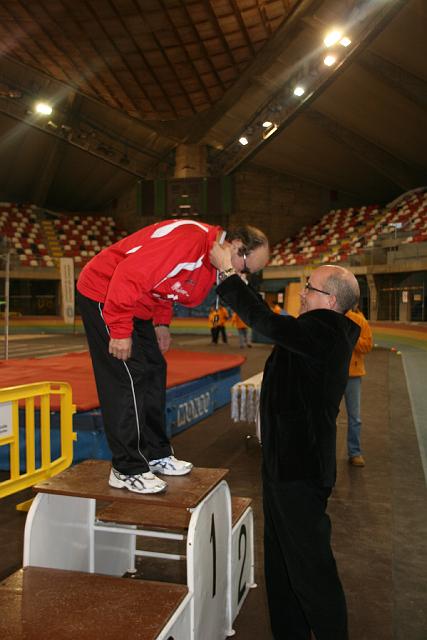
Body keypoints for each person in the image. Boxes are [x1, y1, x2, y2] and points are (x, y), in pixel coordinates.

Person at [210, 242, 360, 640]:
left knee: (310, 569)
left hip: (299, 470)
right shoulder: (317, 333)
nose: (302, 292)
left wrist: (228, 277)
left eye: (308, 287)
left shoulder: (325, 331)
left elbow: (267, 322)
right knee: (281, 565)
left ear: (329, 300)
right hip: (286, 466)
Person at [76, 219, 269, 494]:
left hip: (139, 302)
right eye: (247, 270)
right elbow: (129, 274)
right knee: (126, 376)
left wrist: (161, 322)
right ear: (236, 247)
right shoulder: (189, 242)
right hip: (106, 292)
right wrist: (119, 329)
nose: (244, 278)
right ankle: (126, 469)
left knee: (154, 370)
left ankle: (156, 453)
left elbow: (166, 285)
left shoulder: (209, 260)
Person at [344, 305, 373, 467]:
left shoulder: (360, 321)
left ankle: (354, 452)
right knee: (327, 416)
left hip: (353, 376)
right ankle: (324, 453)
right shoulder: (332, 317)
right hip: (333, 374)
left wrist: (351, 337)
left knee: (355, 417)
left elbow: (367, 346)